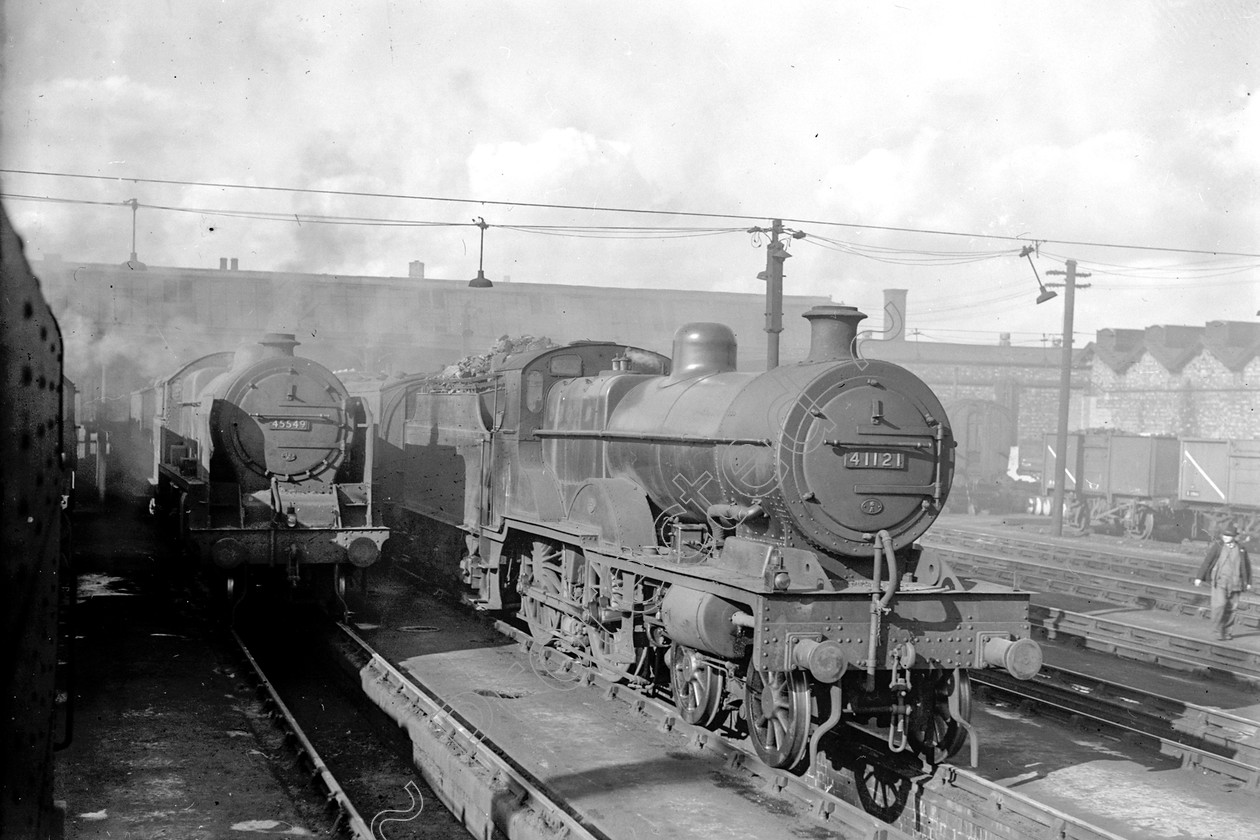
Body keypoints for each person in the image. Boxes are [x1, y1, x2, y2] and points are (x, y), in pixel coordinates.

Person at [1194, 525, 1252, 641]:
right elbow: (1207, 561)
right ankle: (1217, 631)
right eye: (1224, 535)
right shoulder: (1218, 546)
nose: (1225, 537)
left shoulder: (1241, 549)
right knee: (1219, 606)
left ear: (1235, 537)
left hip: (1236, 583)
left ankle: (1227, 632)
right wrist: (1199, 577)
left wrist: (1248, 582)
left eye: (1229, 535)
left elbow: (1247, 566)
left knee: (1232, 609)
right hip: (1219, 582)